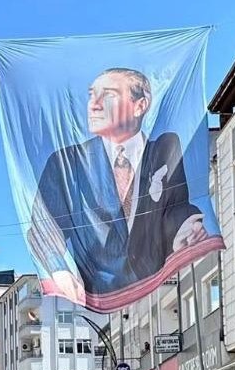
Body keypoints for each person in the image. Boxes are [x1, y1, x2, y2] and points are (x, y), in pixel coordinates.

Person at [25, 67, 212, 302]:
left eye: (108, 95)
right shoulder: (67, 163)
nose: (94, 105)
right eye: (92, 95)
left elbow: (175, 207)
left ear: (140, 105)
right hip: (98, 291)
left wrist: (185, 227)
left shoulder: (165, 150)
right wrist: (58, 268)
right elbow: (44, 227)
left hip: (154, 284)